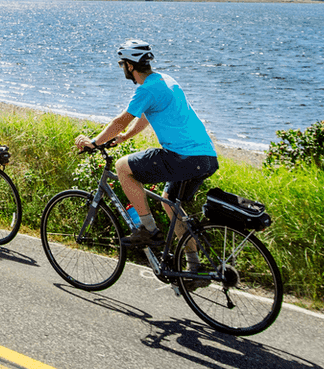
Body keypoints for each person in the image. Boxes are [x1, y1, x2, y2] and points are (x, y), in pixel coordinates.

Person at [75, 39, 218, 250]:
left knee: (123, 167)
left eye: (122, 64)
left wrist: (95, 143)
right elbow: (146, 116)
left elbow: (120, 121)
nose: (122, 68)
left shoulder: (146, 90)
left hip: (183, 157)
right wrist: (126, 137)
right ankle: (193, 265)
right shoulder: (166, 80)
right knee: (169, 203)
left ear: (130, 65)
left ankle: (149, 231)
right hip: (206, 158)